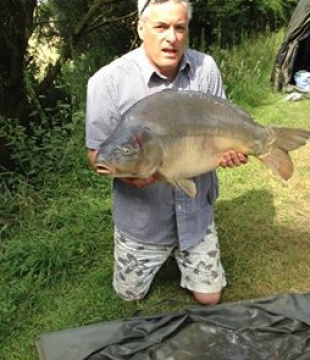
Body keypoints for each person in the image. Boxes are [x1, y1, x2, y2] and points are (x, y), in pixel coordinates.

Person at [85, 0, 248, 305]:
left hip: (196, 212)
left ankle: (186, 251)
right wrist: (129, 175)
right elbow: (96, 155)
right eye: (160, 27)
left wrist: (230, 152)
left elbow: (225, 125)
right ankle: (149, 253)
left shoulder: (205, 68)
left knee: (210, 298)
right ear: (140, 28)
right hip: (142, 220)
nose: (171, 37)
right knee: (129, 295)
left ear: (187, 29)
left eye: (179, 27)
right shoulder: (106, 82)